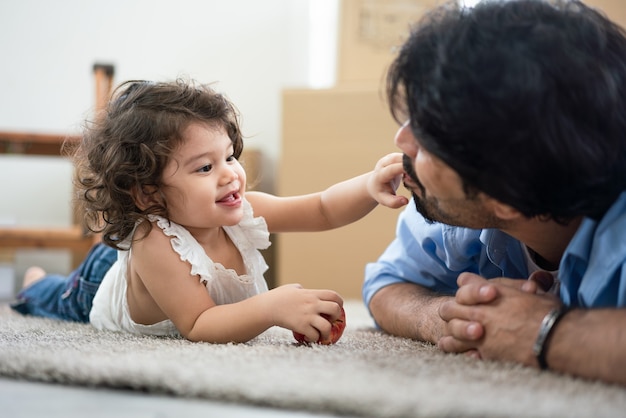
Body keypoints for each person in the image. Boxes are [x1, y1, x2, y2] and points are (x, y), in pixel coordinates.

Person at [12, 78, 407, 344]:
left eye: (230, 157)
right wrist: (272, 306)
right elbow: (198, 324)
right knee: (53, 299)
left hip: (132, 275)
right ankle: (34, 282)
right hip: (98, 284)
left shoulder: (241, 212)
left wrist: (369, 186)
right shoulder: (154, 241)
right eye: (205, 167)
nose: (230, 175)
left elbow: (322, 209)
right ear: (149, 194)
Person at [363, 0, 626, 385]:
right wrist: (443, 316)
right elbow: (385, 284)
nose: (402, 139)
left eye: (429, 138)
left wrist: (542, 330)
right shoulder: (464, 214)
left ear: (505, 196)